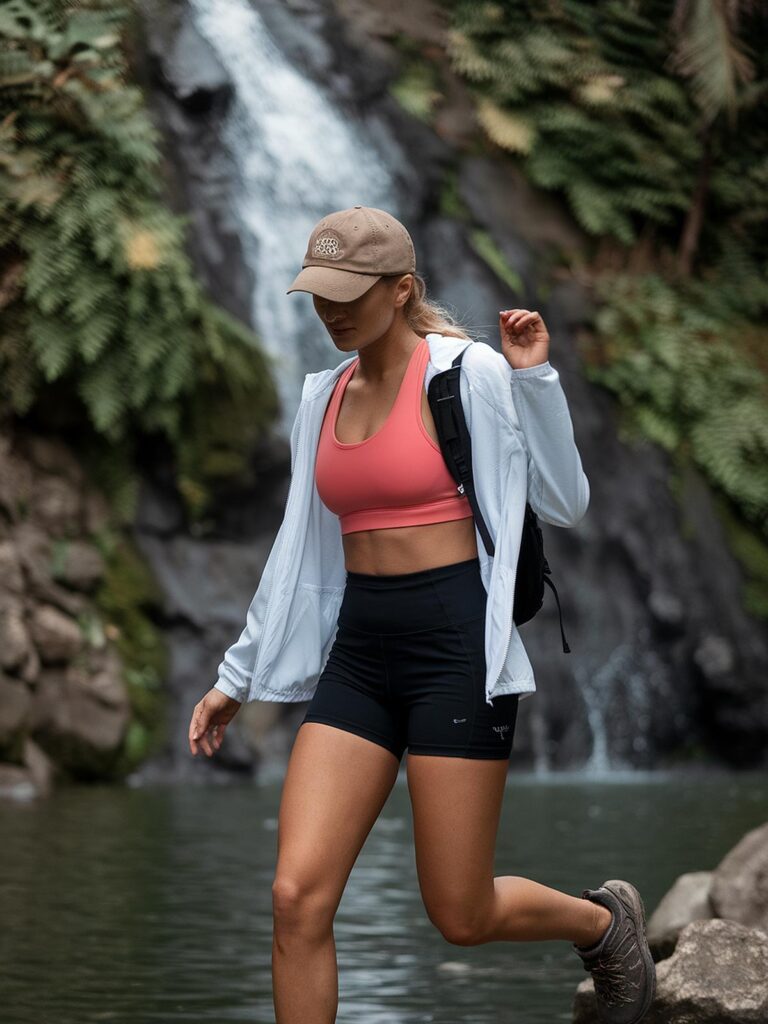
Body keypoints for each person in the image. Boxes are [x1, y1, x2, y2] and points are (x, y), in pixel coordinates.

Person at [188, 206, 656, 1024]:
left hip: (456, 647)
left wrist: (535, 380)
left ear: (402, 290)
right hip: (361, 651)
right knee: (297, 897)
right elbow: (295, 547)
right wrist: (237, 676)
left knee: (460, 913)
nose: (330, 308)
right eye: (318, 293)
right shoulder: (321, 395)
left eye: (349, 291)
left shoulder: (465, 372)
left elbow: (565, 501)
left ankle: (603, 923)